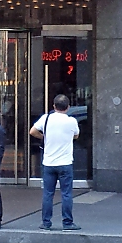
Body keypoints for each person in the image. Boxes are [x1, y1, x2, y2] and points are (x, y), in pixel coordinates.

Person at [30, 94, 81, 231]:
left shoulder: (46, 118)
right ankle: (67, 222)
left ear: (54, 106)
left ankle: (46, 222)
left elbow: (32, 131)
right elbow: (76, 135)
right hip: (65, 162)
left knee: (48, 194)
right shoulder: (71, 121)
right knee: (66, 194)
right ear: (68, 107)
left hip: (49, 162)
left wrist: (44, 137)